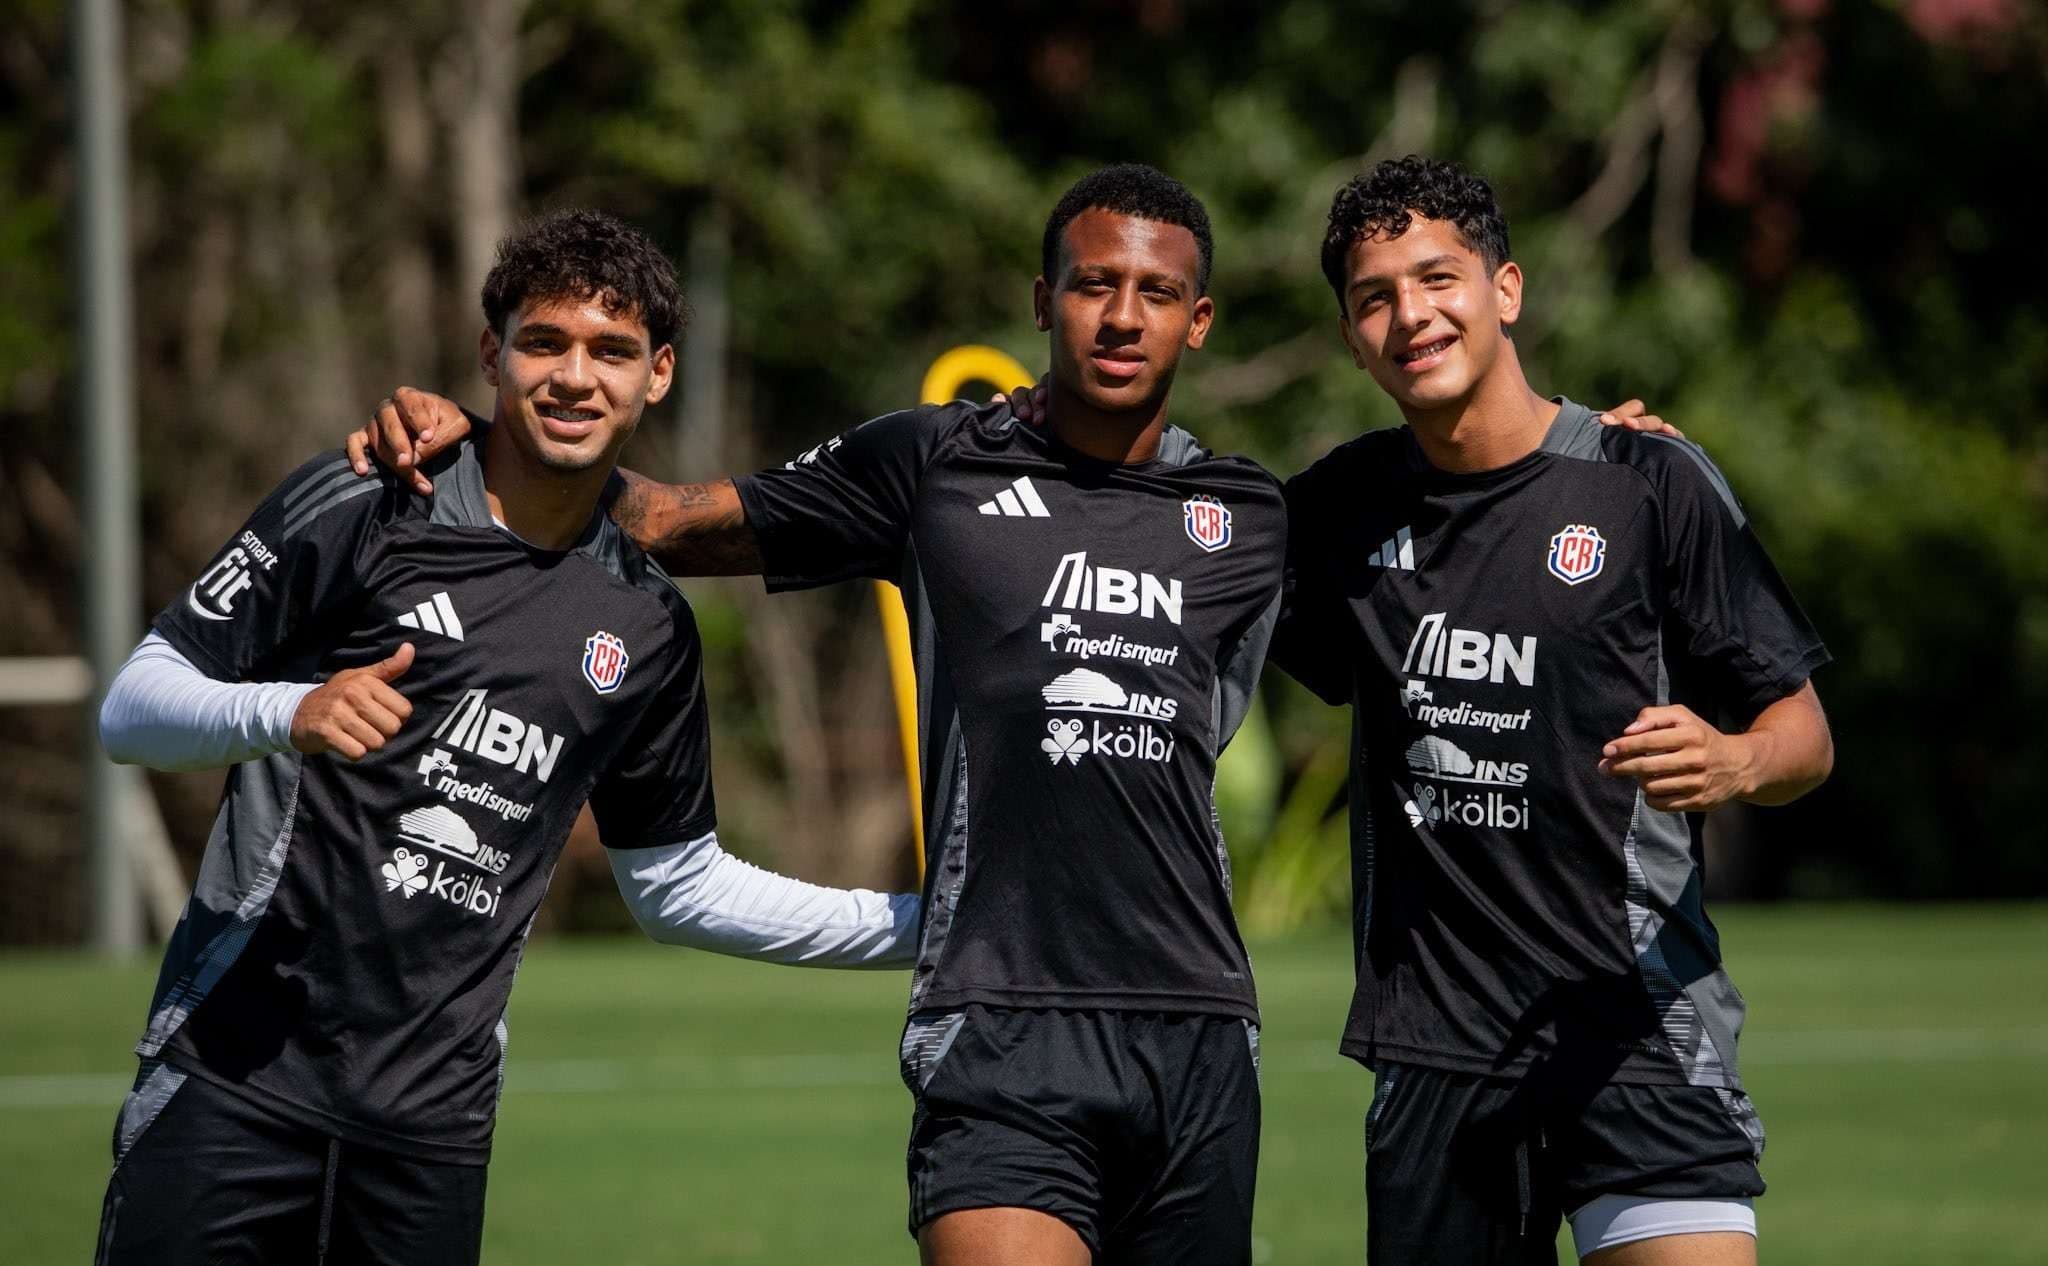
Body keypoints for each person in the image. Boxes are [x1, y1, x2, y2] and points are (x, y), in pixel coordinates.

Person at [350, 164, 1288, 1266]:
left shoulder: (1251, 514)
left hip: (1196, 1024)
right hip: (996, 1018)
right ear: (1042, 302)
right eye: (1091, 285)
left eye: (1156, 293)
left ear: (1200, 319)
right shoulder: (933, 461)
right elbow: (662, 520)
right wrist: (483, 432)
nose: (1122, 317)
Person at [94, 209, 919, 1266]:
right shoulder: (367, 498)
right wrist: (287, 713)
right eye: (545, 343)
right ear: (492, 353)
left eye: (612, 352)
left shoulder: (649, 626)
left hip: (430, 1139)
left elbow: (678, 887)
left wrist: (925, 922)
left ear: (657, 375)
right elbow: (133, 705)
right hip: (230, 1087)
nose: (575, 378)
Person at [1273, 156, 1834, 1265]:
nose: (1408, 315)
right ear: (1349, 336)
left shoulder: (1647, 483)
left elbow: (1803, 732)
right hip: (1434, 1058)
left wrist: (1732, 762)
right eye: (1371, 298)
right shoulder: (1333, 510)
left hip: (1637, 1028)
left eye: (1436, 278)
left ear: (1505, 289)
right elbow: (1153, 528)